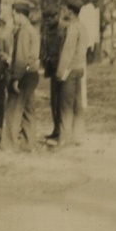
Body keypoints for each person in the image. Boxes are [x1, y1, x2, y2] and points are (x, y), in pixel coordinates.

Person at [1, 3, 41, 152]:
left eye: (14, 15)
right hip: (32, 74)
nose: (13, 18)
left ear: (19, 14)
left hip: (23, 75)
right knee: (28, 110)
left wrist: (16, 78)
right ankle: (28, 144)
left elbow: (21, 58)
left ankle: (9, 146)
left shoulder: (24, 32)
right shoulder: (33, 30)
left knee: (13, 110)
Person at [54, 0, 88, 147]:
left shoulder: (72, 28)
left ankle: (64, 138)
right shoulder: (82, 27)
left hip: (69, 70)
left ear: (71, 12)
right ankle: (78, 136)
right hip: (79, 69)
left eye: (67, 9)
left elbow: (67, 52)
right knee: (77, 105)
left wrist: (60, 73)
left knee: (65, 105)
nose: (65, 11)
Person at [41, 8, 65, 141]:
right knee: (54, 101)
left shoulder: (62, 29)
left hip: (61, 69)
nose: (48, 20)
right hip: (52, 69)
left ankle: (61, 130)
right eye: (46, 18)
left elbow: (63, 51)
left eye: (50, 17)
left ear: (56, 15)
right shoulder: (48, 29)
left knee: (60, 101)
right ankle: (56, 129)